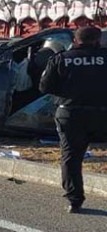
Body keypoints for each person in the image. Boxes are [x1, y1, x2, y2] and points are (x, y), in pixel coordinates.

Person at [39, 26, 107, 213]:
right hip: (103, 114)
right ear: (98, 41)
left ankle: (75, 200)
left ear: (76, 40)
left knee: (71, 158)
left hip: (71, 113)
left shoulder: (61, 58)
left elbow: (44, 87)